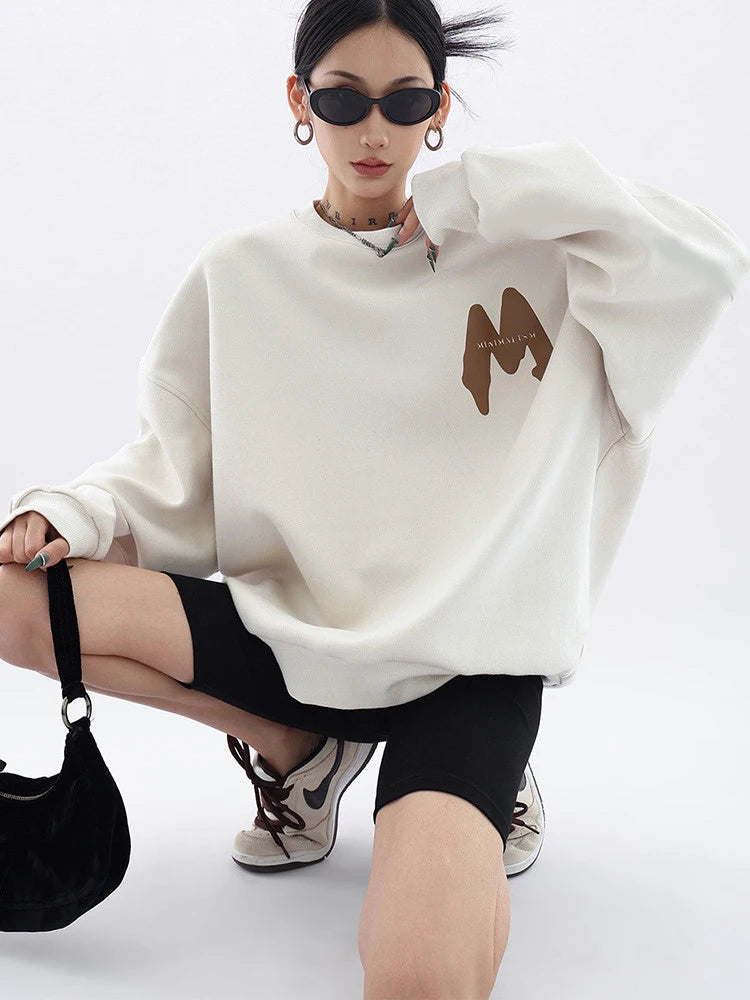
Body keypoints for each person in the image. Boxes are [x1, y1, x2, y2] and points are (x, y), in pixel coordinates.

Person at [1, 2, 749, 997]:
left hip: (470, 670)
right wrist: (74, 514)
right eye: (343, 99)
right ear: (298, 101)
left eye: (404, 102)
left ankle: (480, 786)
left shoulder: (537, 256)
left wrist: (477, 193)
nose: (373, 130)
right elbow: (176, 468)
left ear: (439, 109)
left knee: (418, 977)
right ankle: (303, 751)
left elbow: (703, 259)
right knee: (9, 591)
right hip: (292, 640)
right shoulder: (240, 275)